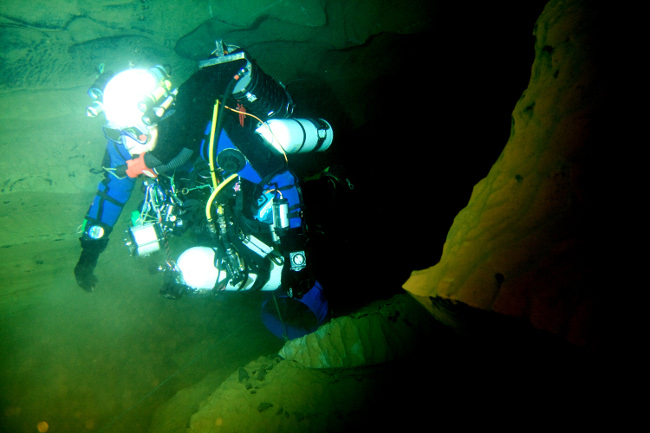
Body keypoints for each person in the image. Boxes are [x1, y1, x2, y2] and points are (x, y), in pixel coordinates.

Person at [74, 44, 323, 304]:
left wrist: (296, 258)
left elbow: (282, 181)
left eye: (135, 133)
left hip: (245, 191)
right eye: (117, 132)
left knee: (264, 217)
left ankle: (330, 185)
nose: (128, 145)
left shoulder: (211, 134)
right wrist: (89, 251)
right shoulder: (124, 140)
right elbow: (113, 189)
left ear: (159, 115)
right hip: (205, 204)